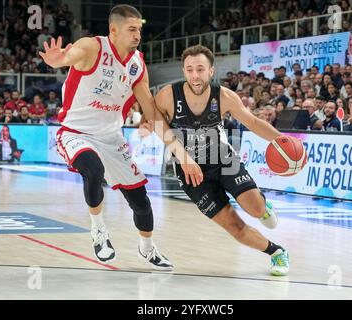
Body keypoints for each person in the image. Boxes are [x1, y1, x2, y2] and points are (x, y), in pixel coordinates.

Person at [38, 4, 203, 270]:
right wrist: (58, 60)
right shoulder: (92, 47)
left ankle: (147, 249)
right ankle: (98, 230)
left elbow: (151, 112)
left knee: (141, 203)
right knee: (93, 170)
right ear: (114, 30)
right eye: (131, 29)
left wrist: (182, 154)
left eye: (140, 29)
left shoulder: (137, 65)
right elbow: (71, 55)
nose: (137, 35)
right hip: (76, 133)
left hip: (112, 139)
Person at [152, 45, 291, 276]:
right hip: (191, 173)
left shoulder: (224, 96)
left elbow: (253, 123)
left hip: (223, 159)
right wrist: (184, 157)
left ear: (211, 71)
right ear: (184, 71)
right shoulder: (167, 96)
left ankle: (262, 205)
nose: (195, 75)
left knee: (256, 209)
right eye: (189, 70)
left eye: (200, 69)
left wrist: (282, 141)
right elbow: (158, 126)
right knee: (235, 226)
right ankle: (277, 252)